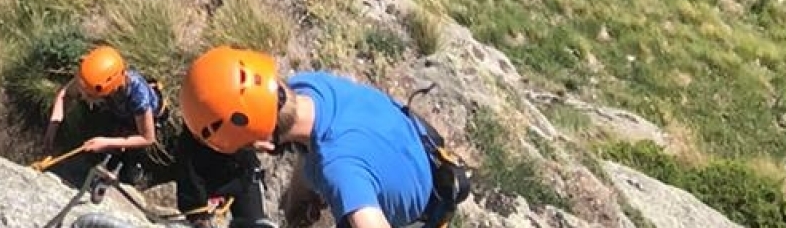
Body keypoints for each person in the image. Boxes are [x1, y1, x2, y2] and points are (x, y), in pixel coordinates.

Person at [178, 47, 472, 228]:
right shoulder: (310, 85)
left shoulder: (340, 172)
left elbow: (343, 176)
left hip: (424, 212)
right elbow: (311, 147)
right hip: (424, 156)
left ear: (263, 144)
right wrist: (298, 204)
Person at [41, 46, 277, 228]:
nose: (85, 98)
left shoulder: (138, 96)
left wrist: (107, 142)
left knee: (127, 162)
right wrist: (53, 128)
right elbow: (65, 94)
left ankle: (132, 174)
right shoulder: (95, 79)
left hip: (144, 126)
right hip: (121, 118)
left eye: (90, 95)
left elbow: (147, 138)